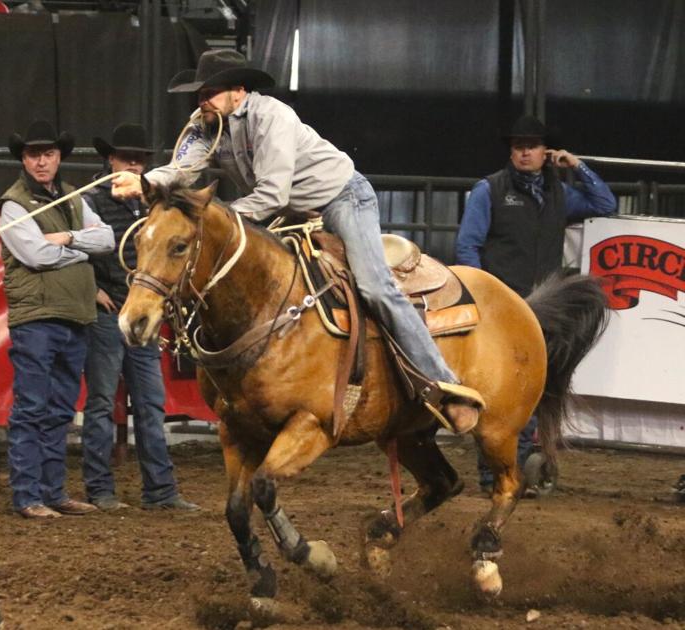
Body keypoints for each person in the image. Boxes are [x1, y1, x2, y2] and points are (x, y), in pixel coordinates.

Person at [110, 49, 485, 433]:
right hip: (287, 207)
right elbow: (181, 168)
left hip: (340, 198)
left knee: (375, 286)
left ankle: (444, 384)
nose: (202, 100)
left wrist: (220, 220)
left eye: (210, 92)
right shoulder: (205, 124)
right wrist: (144, 182)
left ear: (238, 91)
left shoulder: (271, 116)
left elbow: (271, 195)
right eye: (200, 94)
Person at [456, 114, 616, 491]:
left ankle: (507, 471)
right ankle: (495, 473)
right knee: (501, 392)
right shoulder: (489, 190)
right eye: (517, 146)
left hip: (541, 308)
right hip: (503, 307)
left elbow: (604, 203)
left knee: (530, 391)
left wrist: (577, 166)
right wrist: (482, 297)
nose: (524, 152)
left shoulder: (560, 194)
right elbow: (468, 245)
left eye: (531, 146)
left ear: (547, 153)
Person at [0, 120, 116, 519]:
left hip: (73, 316)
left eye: (48, 154)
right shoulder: (13, 204)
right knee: (33, 407)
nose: (42, 161)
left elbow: (108, 240)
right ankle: (29, 494)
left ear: (59, 156)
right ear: (25, 159)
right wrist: (83, 249)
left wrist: (67, 239)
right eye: (34, 155)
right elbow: (35, 256)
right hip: (37, 319)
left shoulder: (71, 197)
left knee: (61, 408)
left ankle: (52, 491)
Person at [80, 123, 200, 512]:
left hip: (139, 311)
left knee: (150, 402)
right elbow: (78, 249)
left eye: (140, 159)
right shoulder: (92, 199)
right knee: (101, 402)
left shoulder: (154, 201)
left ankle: (160, 491)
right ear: (110, 159)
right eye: (126, 157)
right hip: (108, 309)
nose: (133, 163)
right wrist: (92, 290)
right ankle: (101, 490)